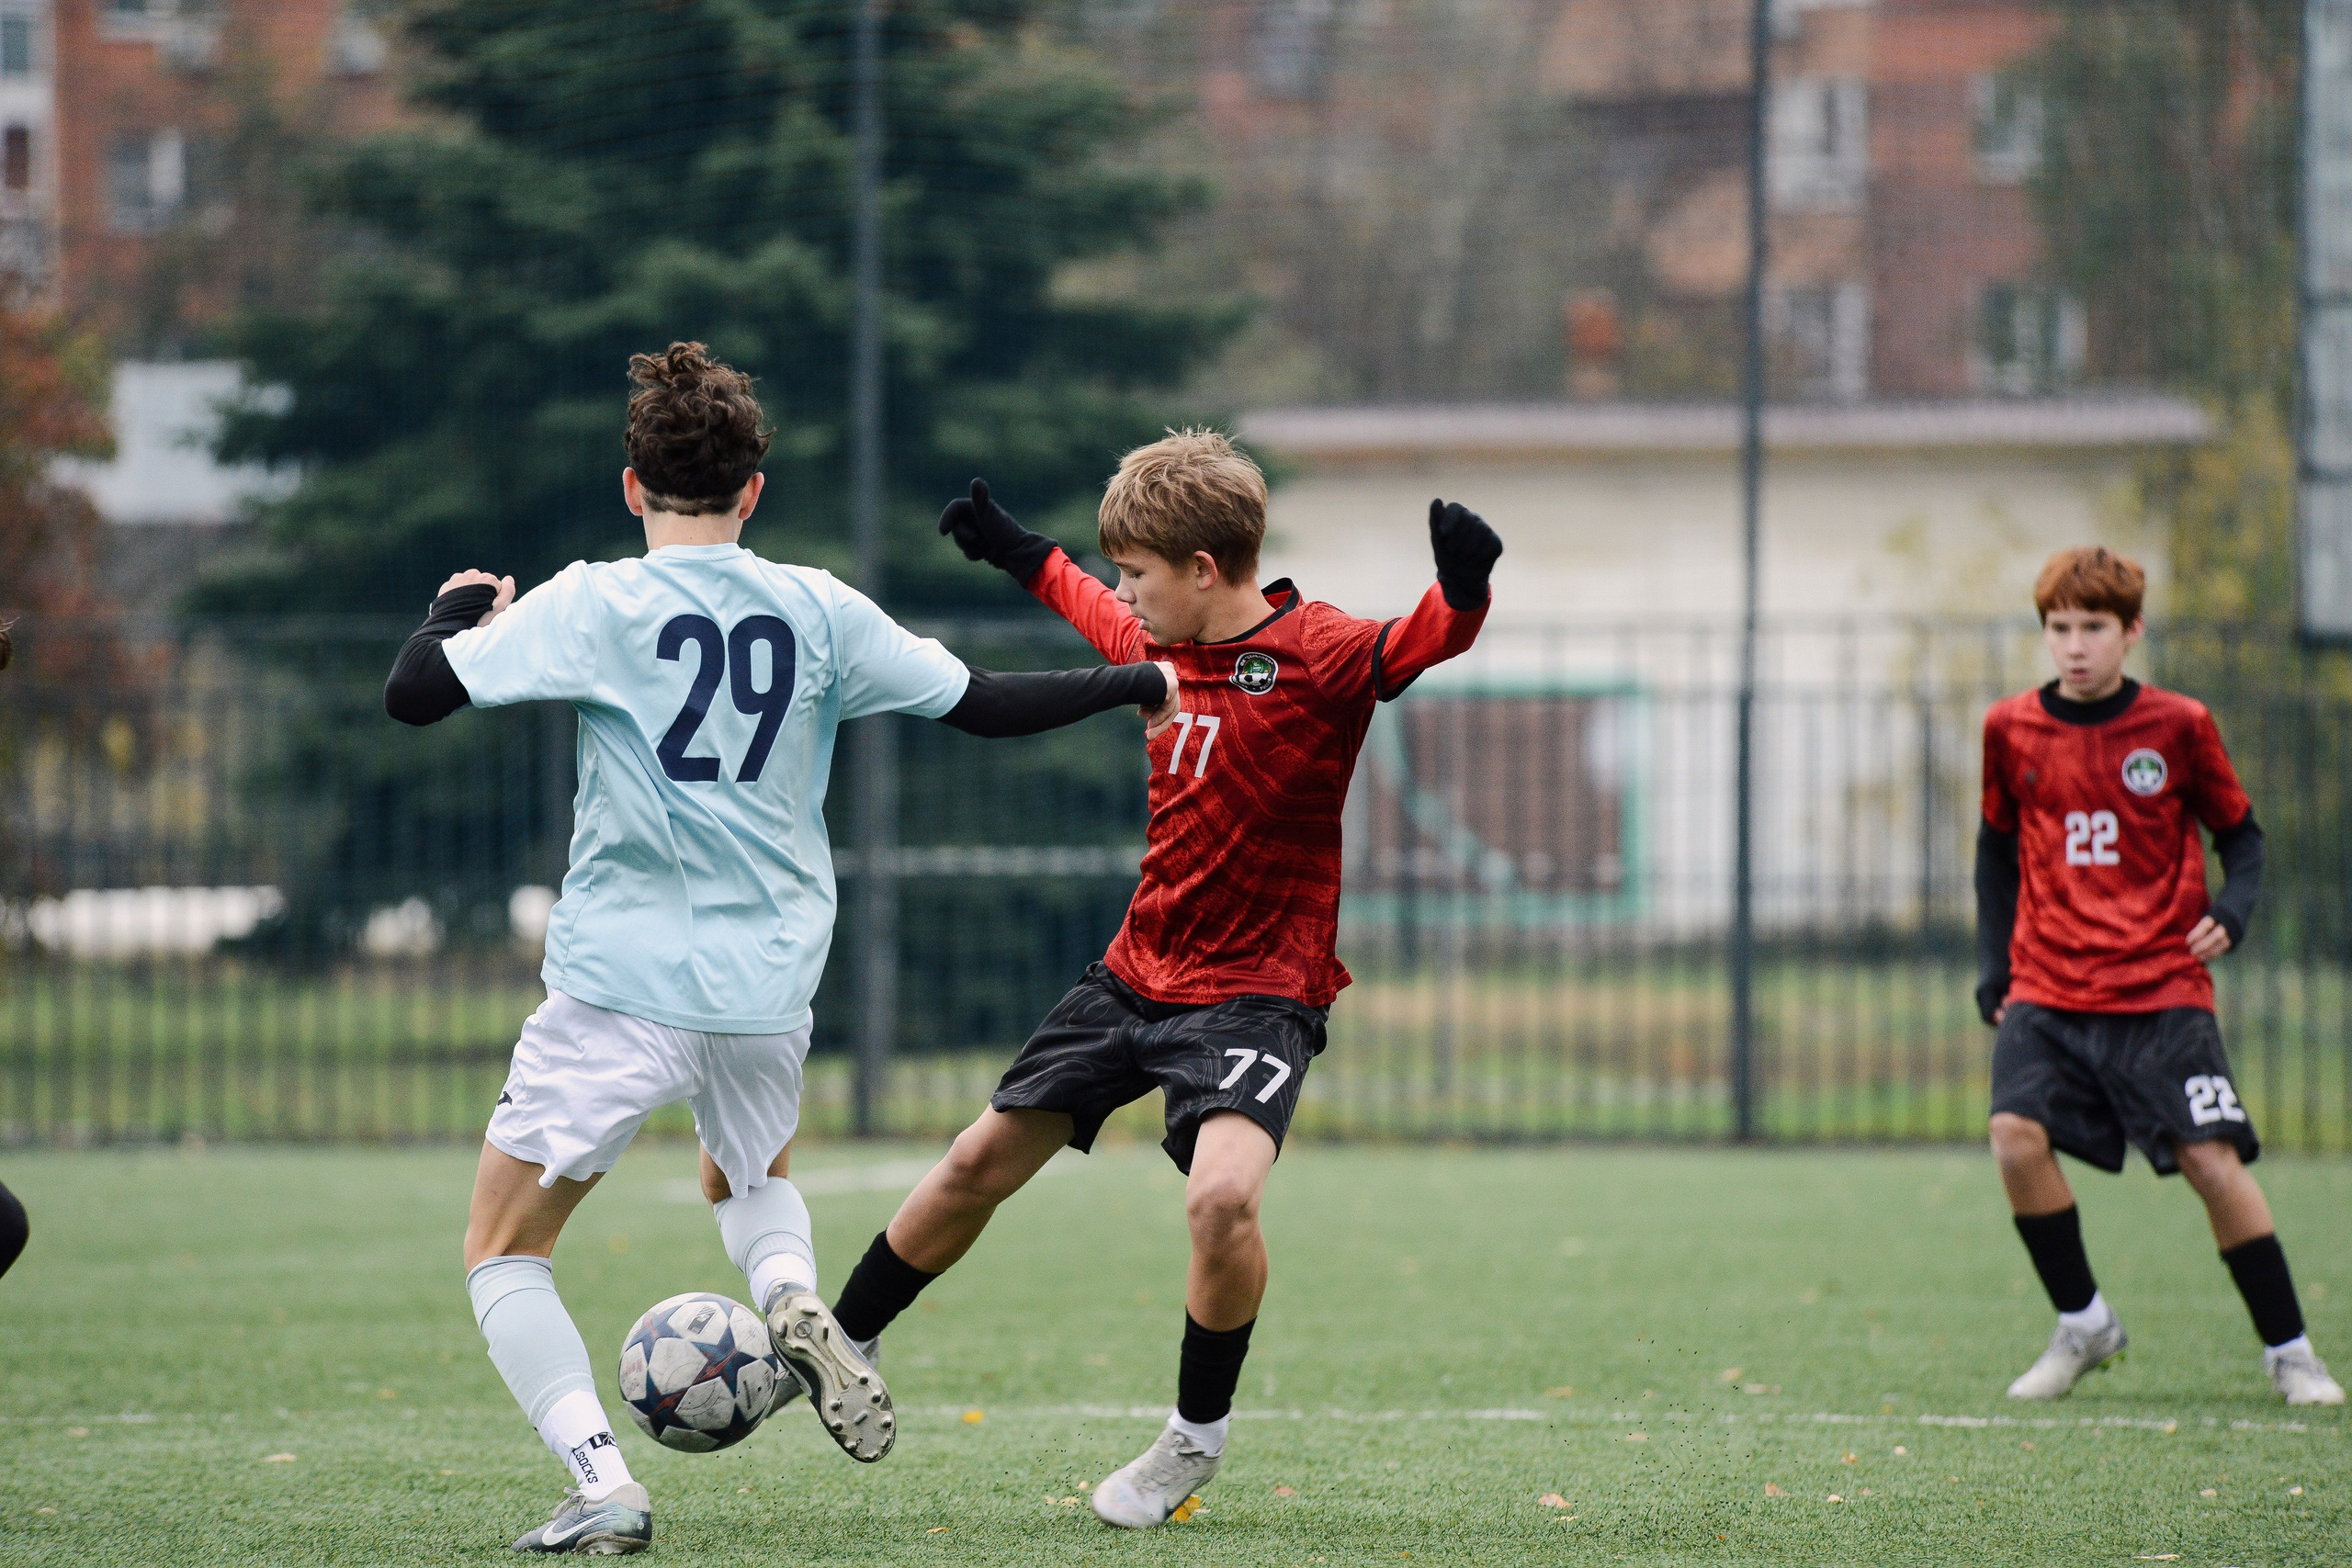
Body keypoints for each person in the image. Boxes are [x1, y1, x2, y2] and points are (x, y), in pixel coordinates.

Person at [383, 342, 1177, 1554]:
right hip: (767, 981)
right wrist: (1131, 681)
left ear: (632, 487)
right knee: (746, 1180)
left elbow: (413, 693)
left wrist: (455, 610)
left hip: (619, 982)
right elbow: (980, 702)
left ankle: (603, 1482)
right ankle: (795, 1297)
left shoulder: (595, 601)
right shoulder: (816, 605)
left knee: (502, 1248)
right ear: (753, 491)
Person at [823, 431, 1502, 1529]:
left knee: (1222, 1198)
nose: (1124, 595)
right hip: (1134, 974)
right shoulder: (1156, 642)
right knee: (974, 1161)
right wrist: (1013, 548)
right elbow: (1077, 595)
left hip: (1258, 992)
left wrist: (1461, 587)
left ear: (1202, 568)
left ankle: (1193, 1437)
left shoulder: (1318, 649)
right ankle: (841, 1342)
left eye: (1137, 573)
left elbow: (1418, 641)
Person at [1976, 547, 2342, 1406]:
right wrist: (1995, 965)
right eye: (2059, 628)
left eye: (2093, 627)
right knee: (2014, 1136)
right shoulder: (2010, 728)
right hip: (2048, 981)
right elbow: (1995, 849)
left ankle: (2291, 1351)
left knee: (2211, 1160)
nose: (2074, 646)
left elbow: (2241, 838)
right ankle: (2084, 1323)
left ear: (2132, 629)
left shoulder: (2179, 724)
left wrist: (2234, 910)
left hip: (2160, 985)